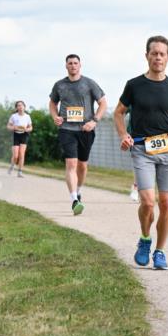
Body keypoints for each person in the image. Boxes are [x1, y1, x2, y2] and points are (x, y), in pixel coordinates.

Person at [113, 35, 168, 270]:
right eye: (154, 53)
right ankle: (145, 239)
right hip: (142, 149)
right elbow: (118, 112)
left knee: (166, 203)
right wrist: (124, 135)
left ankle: (160, 251)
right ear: (146, 56)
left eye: (162, 54)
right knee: (147, 202)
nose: (158, 57)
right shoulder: (134, 85)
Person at [49, 54, 107, 215]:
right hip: (67, 129)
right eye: (70, 63)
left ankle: (79, 190)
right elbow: (53, 103)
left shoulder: (89, 83)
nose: (73, 66)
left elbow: (103, 103)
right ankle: (74, 199)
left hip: (85, 130)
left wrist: (94, 120)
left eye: (75, 63)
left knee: (82, 165)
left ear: (80, 65)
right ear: (66, 66)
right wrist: (55, 117)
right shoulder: (59, 85)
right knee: (71, 164)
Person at [7, 100, 33, 177]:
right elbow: (8, 126)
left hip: (24, 135)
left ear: (24, 107)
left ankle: (20, 172)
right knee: (15, 155)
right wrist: (13, 127)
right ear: (16, 107)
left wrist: (26, 129)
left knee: (22, 154)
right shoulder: (13, 116)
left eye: (21, 105)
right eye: (18, 105)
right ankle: (12, 166)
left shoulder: (27, 116)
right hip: (16, 135)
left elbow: (31, 127)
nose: (20, 107)